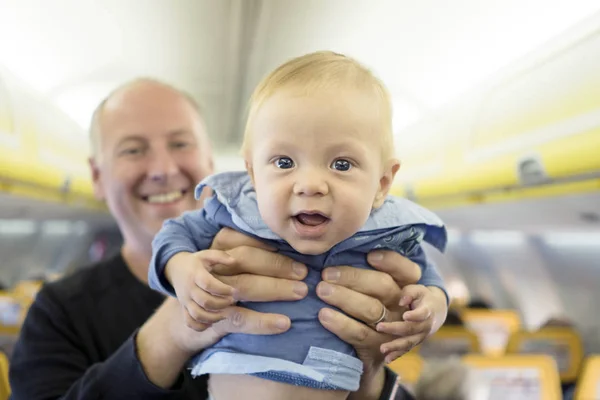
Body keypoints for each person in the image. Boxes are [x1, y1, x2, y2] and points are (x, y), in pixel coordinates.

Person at [8, 77, 446, 400]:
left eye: (180, 144)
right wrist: (172, 331)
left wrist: (370, 369)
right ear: (97, 177)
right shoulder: (57, 313)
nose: (162, 167)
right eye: (133, 150)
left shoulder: (370, 241)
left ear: (213, 161)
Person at [148, 52, 449, 400]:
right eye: (284, 161)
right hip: (239, 371)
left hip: (332, 373)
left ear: (382, 183)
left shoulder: (388, 232)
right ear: (253, 175)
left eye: (341, 164)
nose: (310, 185)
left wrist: (433, 308)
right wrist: (181, 269)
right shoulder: (235, 211)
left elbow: (427, 281)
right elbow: (174, 235)